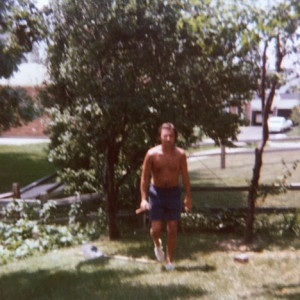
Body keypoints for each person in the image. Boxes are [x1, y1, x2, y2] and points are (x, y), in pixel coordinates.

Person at [139, 122, 192, 271]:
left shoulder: (180, 155)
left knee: (173, 227)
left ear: (175, 137)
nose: (168, 139)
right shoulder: (151, 154)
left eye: (171, 136)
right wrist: (143, 199)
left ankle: (170, 261)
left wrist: (188, 197)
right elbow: (144, 178)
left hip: (174, 193)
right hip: (156, 193)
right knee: (156, 229)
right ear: (160, 137)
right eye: (165, 136)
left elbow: (186, 177)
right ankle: (158, 245)